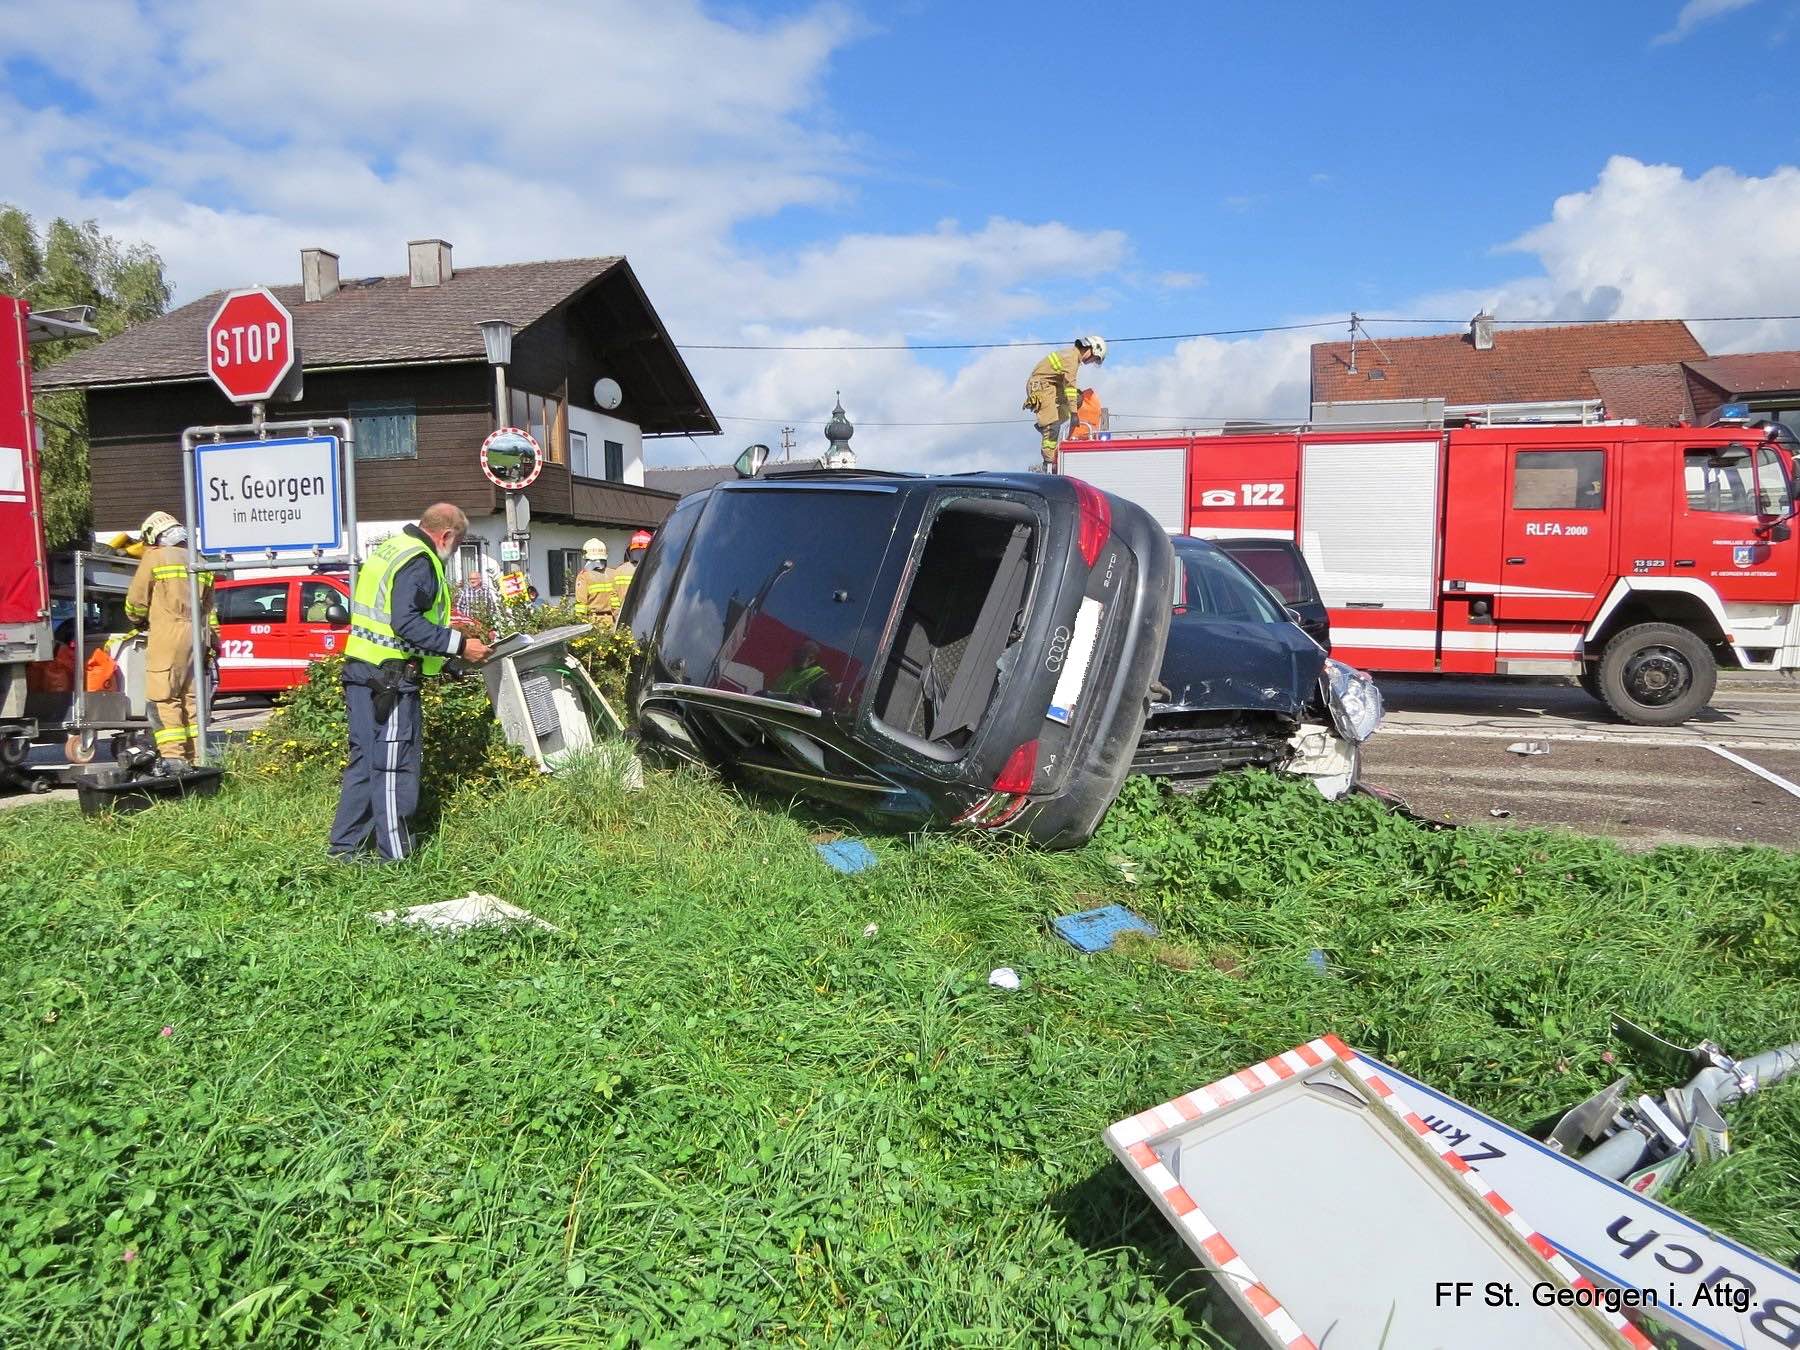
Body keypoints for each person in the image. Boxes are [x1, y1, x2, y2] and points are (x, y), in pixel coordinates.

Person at [329, 503, 489, 863]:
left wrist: (447, 662)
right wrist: (461, 644)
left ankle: (344, 850)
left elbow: (390, 625)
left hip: (363, 671)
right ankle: (396, 858)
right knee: (392, 765)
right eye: (460, 543)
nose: (456, 551)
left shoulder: (392, 548)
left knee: (365, 761)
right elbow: (406, 623)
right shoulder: (420, 560)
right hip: (390, 680)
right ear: (446, 535)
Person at [124, 511, 216, 773]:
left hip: (168, 633)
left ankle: (174, 759)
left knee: (164, 696)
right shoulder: (199, 560)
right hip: (198, 636)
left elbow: (136, 600)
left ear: (154, 535)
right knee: (190, 697)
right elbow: (210, 607)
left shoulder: (155, 557)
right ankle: (198, 758)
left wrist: (137, 620)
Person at [1022, 335, 1106, 470]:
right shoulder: (1071, 359)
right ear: (1091, 349)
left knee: (1078, 398)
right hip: (1041, 387)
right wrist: (1074, 413)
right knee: (1053, 425)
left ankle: (1045, 426)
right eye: (1094, 359)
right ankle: (1048, 464)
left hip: (1051, 385)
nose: (1091, 362)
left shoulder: (1073, 357)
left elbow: (1071, 391)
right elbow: (1069, 387)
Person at [572, 537, 623, 622]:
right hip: (612, 620)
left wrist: (579, 622)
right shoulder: (613, 573)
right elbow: (616, 601)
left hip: (594, 622)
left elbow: (580, 605)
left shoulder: (584, 576)